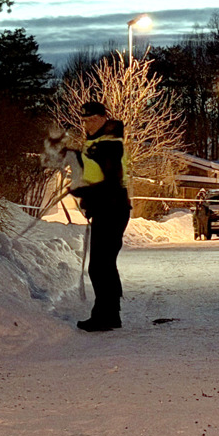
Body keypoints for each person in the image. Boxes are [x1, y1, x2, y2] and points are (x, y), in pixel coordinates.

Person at [71, 100, 131, 331]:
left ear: (104, 118)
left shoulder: (109, 145)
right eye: (85, 121)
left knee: (99, 266)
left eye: (93, 120)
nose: (88, 124)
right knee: (104, 265)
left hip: (111, 210)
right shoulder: (97, 142)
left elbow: (112, 183)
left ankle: (104, 316)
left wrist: (87, 193)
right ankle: (110, 314)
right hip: (108, 208)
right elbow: (96, 176)